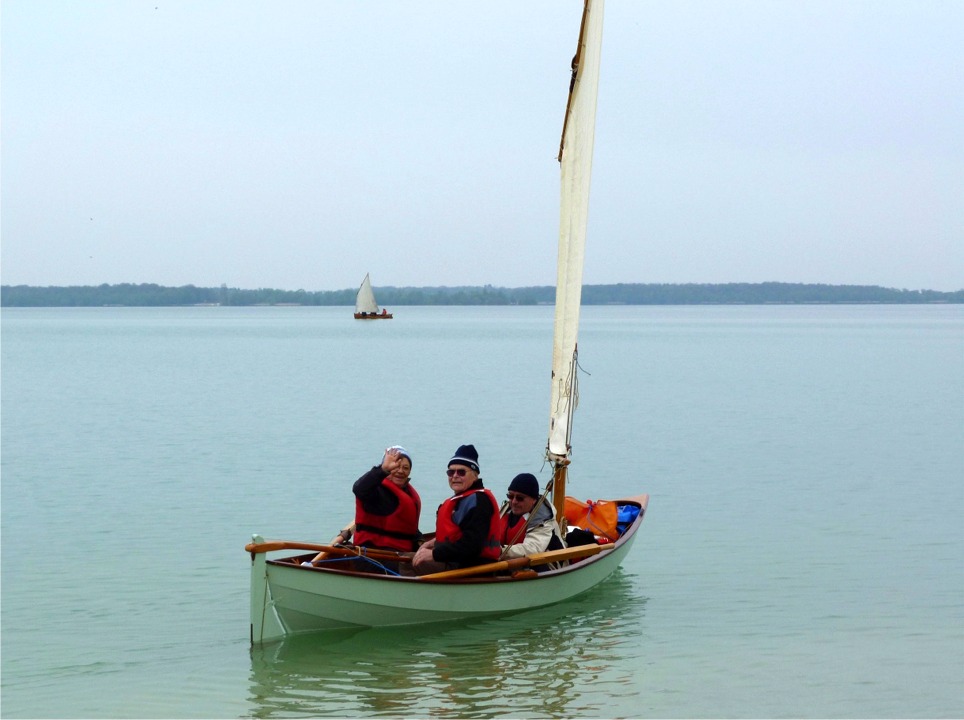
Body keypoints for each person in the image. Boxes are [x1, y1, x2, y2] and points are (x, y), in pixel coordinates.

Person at [307, 445, 421, 566]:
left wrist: (420, 542)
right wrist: (382, 470)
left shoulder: (409, 496)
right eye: (396, 466)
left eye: (405, 468)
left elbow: (407, 527)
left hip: (399, 555)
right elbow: (359, 488)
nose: (400, 471)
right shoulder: (375, 491)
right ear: (388, 467)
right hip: (373, 555)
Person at [412, 444, 502, 575]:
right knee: (407, 557)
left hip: (472, 568)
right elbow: (456, 535)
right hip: (456, 561)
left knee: (408, 564)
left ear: (475, 475)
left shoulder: (479, 501)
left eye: (461, 472)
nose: (455, 476)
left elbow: (471, 546)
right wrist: (432, 543)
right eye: (450, 472)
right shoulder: (462, 499)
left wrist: (434, 554)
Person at [499, 473, 567, 571]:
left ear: (534, 500)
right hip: (510, 563)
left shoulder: (544, 519)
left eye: (520, 498)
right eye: (510, 496)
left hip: (548, 567)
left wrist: (500, 551)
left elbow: (533, 549)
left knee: (535, 562)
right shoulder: (505, 511)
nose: (514, 501)